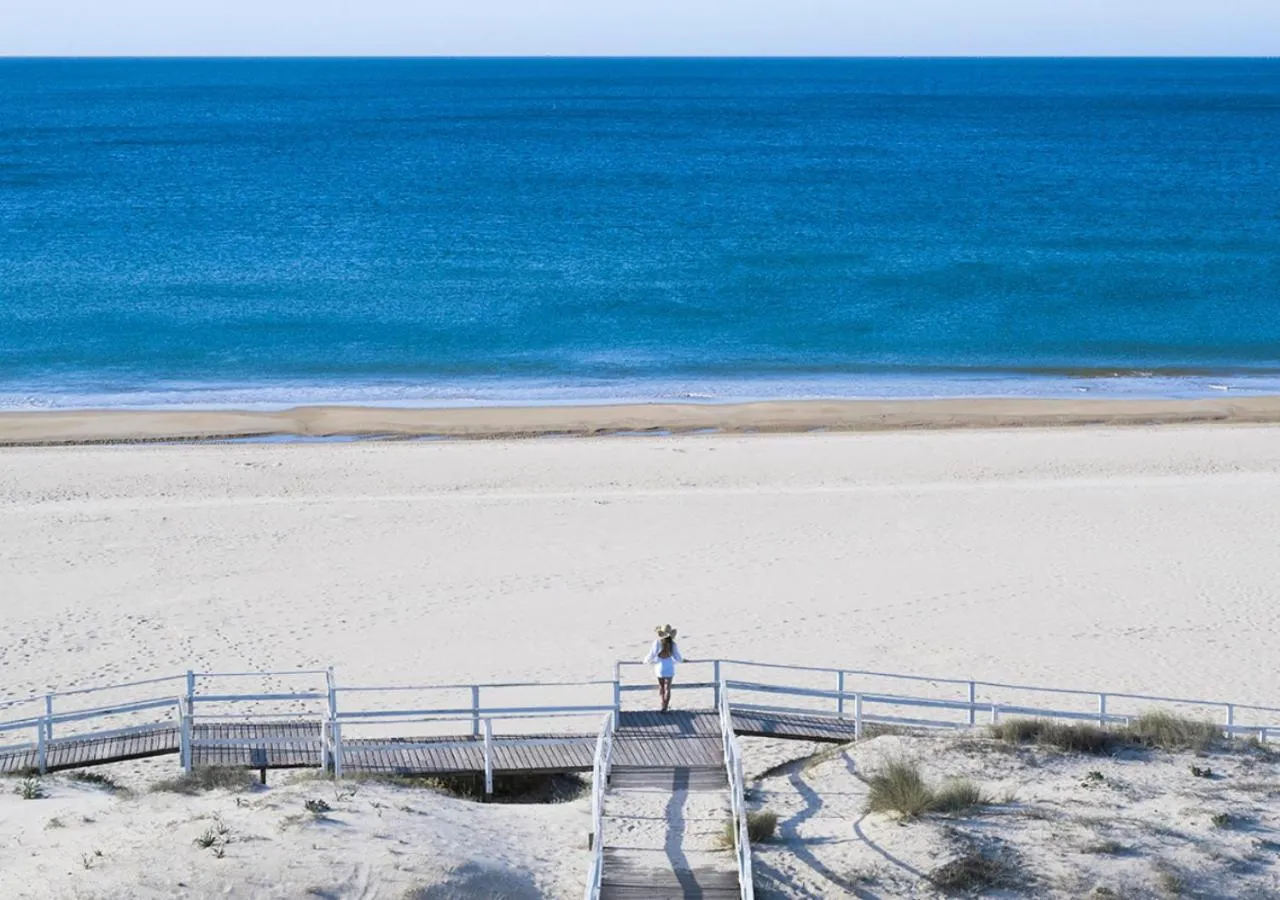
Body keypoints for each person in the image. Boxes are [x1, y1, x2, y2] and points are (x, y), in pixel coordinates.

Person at [644, 624, 683, 712]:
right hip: (669, 665)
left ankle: (662, 703)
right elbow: (678, 657)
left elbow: (652, 654)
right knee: (668, 687)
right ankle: (666, 706)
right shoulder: (672, 644)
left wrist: (646, 661)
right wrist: (682, 660)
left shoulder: (657, 642)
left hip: (660, 666)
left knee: (661, 687)